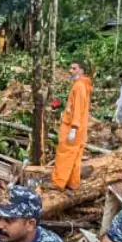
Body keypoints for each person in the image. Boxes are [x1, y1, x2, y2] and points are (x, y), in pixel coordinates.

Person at [52, 60, 93, 191]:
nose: (71, 71)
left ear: (81, 70)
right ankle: (73, 183)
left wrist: (73, 128)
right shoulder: (81, 85)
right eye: (71, 68)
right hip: (77, 127)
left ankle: (59, 183)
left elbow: (78, 108)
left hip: (72, 127)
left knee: (65, 154)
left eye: (74, 68)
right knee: (75, 157)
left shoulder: (79, 86)